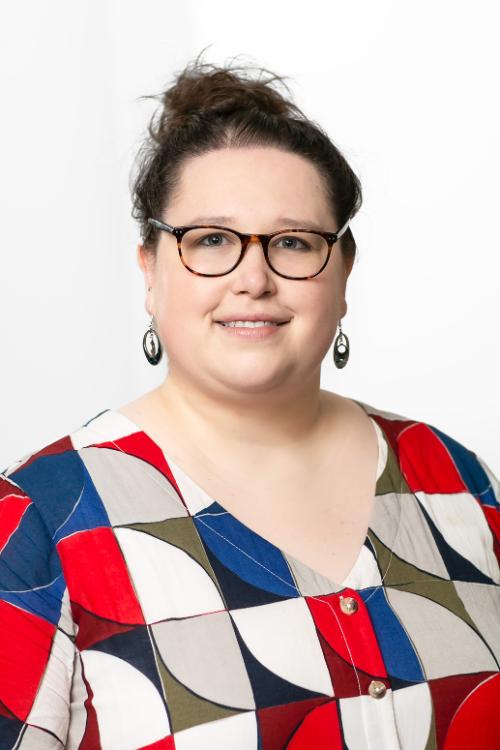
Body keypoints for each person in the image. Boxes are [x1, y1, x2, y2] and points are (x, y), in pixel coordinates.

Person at [1, 54, 499, 750]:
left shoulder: (456, 478)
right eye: (211, 241)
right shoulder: (43, 517)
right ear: (150, 268)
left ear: (343, 272)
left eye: (293, 243)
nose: (254, 279)